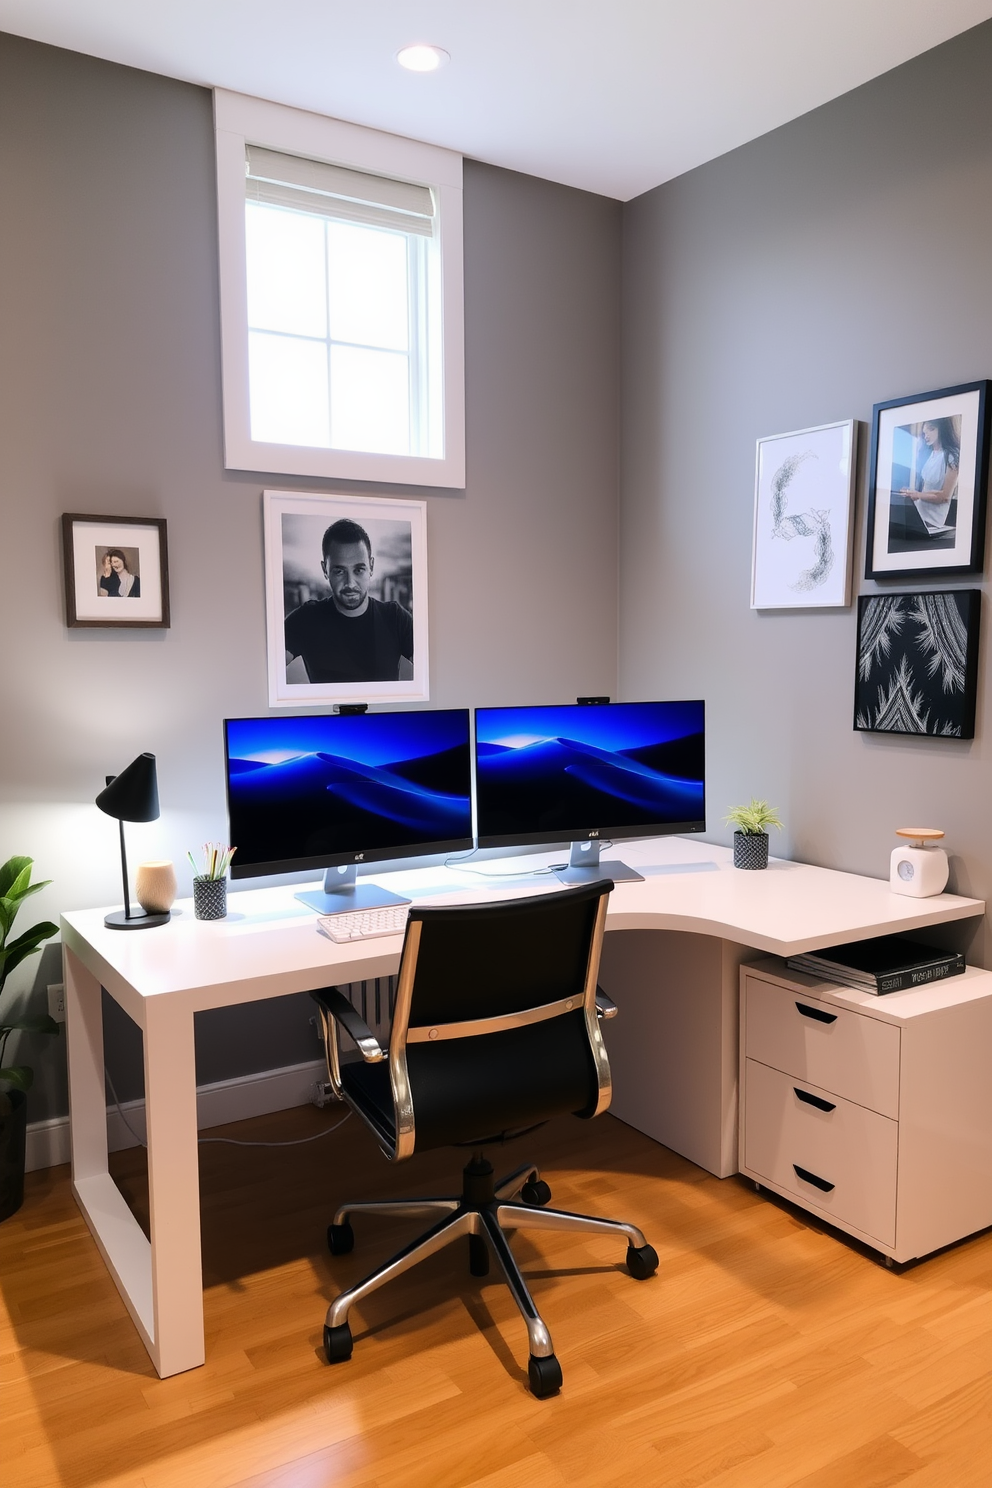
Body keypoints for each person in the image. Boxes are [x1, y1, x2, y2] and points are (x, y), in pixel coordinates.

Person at [284, 518, 413, 684]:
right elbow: (266, 668)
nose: (350, 583)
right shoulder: (306, 619)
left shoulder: (395, 618)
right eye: (339, 571)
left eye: (359, 570)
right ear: (325, 570)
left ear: (371, 567)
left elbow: (434, 666)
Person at [892, 418, 960, 539]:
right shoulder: (929, 454)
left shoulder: (952, 456)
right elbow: (925, 490)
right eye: (924, 433)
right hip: (919, 515)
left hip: (934, 520)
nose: (926, 435)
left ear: (943, 429)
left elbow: (944, 496)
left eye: (931, 430)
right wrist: (911, 493)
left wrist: (918, 494)